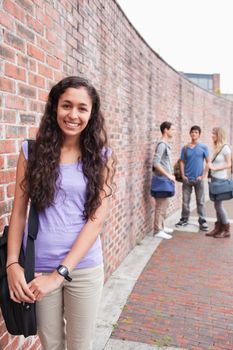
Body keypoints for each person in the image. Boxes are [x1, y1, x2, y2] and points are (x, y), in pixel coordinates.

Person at [6, 76, 115, 350]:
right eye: (67, 105)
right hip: (38, 268)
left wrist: (60, 273)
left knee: (80, 346)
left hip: (83, 268)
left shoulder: (102, 156)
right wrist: (12, 264)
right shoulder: (31, 152)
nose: (73, 115)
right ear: (55, 106)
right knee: (51, 345)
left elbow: (96, 219)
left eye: (82, 108)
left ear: (92, 114)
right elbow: (19, 213)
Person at [176, 125, 210, 231]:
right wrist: (183, 175)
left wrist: (203, 176)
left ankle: (202, 221)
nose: (194, 134)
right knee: (185, 201)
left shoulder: (204, 147)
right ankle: (184, 219)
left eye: (196, 132)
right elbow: (181, 161)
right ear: (190, 133)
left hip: (198, 179)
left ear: (199, 134)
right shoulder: (185, 148)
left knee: (200, 201)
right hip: (187, 179)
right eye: (192, 132)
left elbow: (208, 162)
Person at [206, 127, 231, 238]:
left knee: (219, 206)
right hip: (214, 179)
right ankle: (218, 228)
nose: (212, 136)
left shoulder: (226, 148)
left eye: (214, 134)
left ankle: (226, 229)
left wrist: (215, 168)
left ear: (219, 135)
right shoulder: (216, 148)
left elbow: (229, 164)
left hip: (221, 180)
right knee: (216, 205)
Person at [152, 121, 175, 239]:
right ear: (165, 130)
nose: (173, 131)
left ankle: (161, 226)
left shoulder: (166, 144)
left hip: (166, 179)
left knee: (165, 204)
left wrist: (172, 174)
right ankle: (157, 231)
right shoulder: (161, 144)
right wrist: (168, 175)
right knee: (160, 205)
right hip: (161, 179)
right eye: (171, 129)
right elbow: (155, 163)